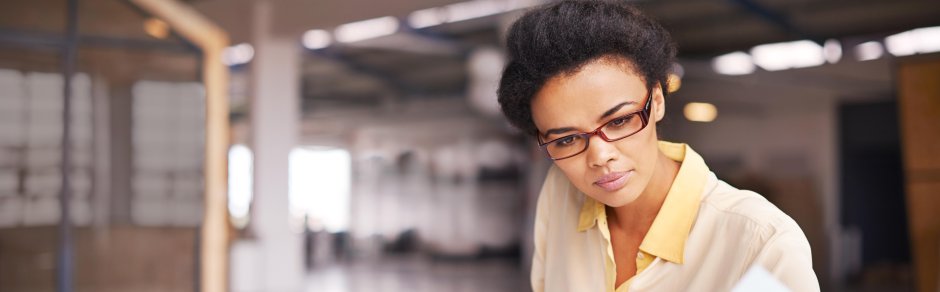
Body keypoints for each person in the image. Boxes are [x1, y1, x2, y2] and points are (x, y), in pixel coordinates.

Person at [496, 1, 820, 291]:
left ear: (658, 100)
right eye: (567, 139)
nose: (599, 155)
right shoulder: (561, 194)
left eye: (619, 121)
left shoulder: (762, 245)